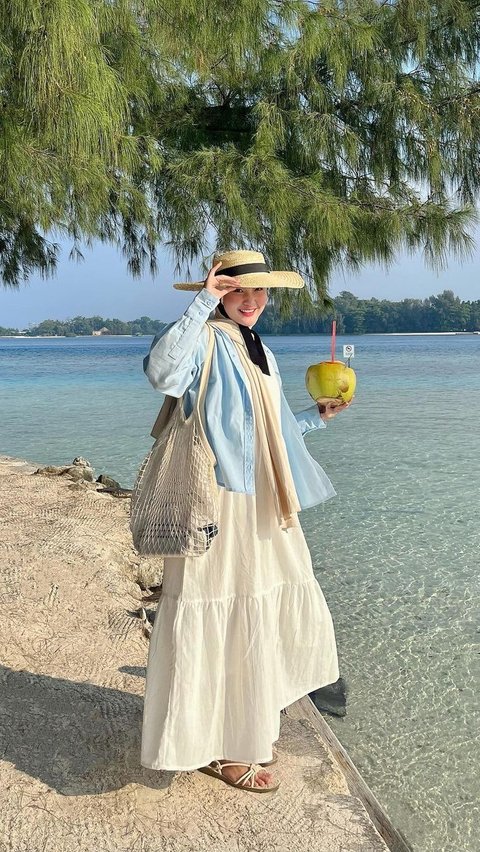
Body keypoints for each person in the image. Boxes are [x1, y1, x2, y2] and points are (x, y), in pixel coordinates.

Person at [140, 250, 352, 793]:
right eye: (238, 291)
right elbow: (161, 372)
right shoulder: (206, 337)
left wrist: (315, 419)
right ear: (219, 292)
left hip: (263, 502)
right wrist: (203, 302)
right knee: (217, 610)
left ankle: (244, 724)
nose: (251, 301)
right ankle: (221, 747)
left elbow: (268, 433)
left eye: (258, 293)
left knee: (264, 606)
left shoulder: (260, 350)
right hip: (215, 502)